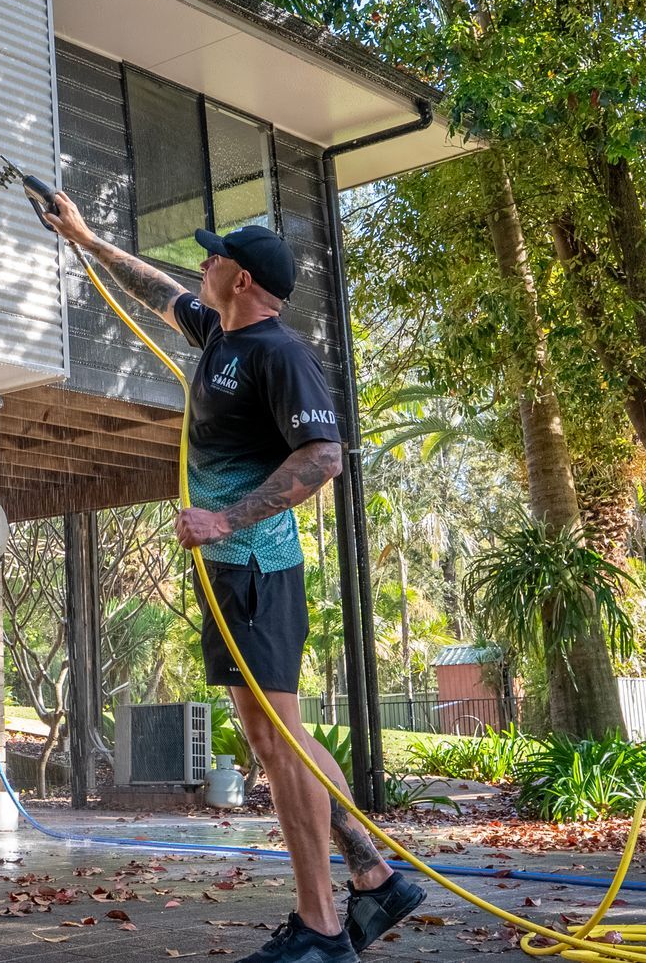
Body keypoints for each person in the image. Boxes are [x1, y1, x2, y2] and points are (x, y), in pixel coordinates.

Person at [43, 192, 425, 963]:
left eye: (216, 256)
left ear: (242, 277)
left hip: (255, 569)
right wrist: (82, 237)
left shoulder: (278, 355)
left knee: (278, 741)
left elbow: (322, 458)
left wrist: (227, 520)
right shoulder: (221, 334)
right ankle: (375, 875)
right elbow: (158, 290)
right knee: (271, 734)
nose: (204, 262)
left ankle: (323, 927)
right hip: (232, 574)